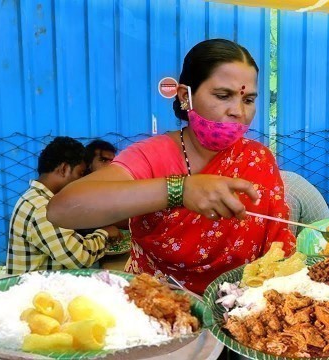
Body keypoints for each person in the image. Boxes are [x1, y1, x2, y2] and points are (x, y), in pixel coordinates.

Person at [47, 39, 295, 293]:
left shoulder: (258, 159)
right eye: (223, 96)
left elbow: (277, 247)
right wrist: (179, 190)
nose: (238, 111)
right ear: (184, 96)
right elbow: (62, 209)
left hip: (240, 310)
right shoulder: (153, 155)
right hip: (161, 308)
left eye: (249, 99)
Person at [7, 137, 120, 274]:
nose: (82, 180)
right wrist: (105, 234)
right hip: (38, 293)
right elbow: (80, 257)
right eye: (80, 174)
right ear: (64, 169)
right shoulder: (43, 208)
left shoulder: (37, 198)